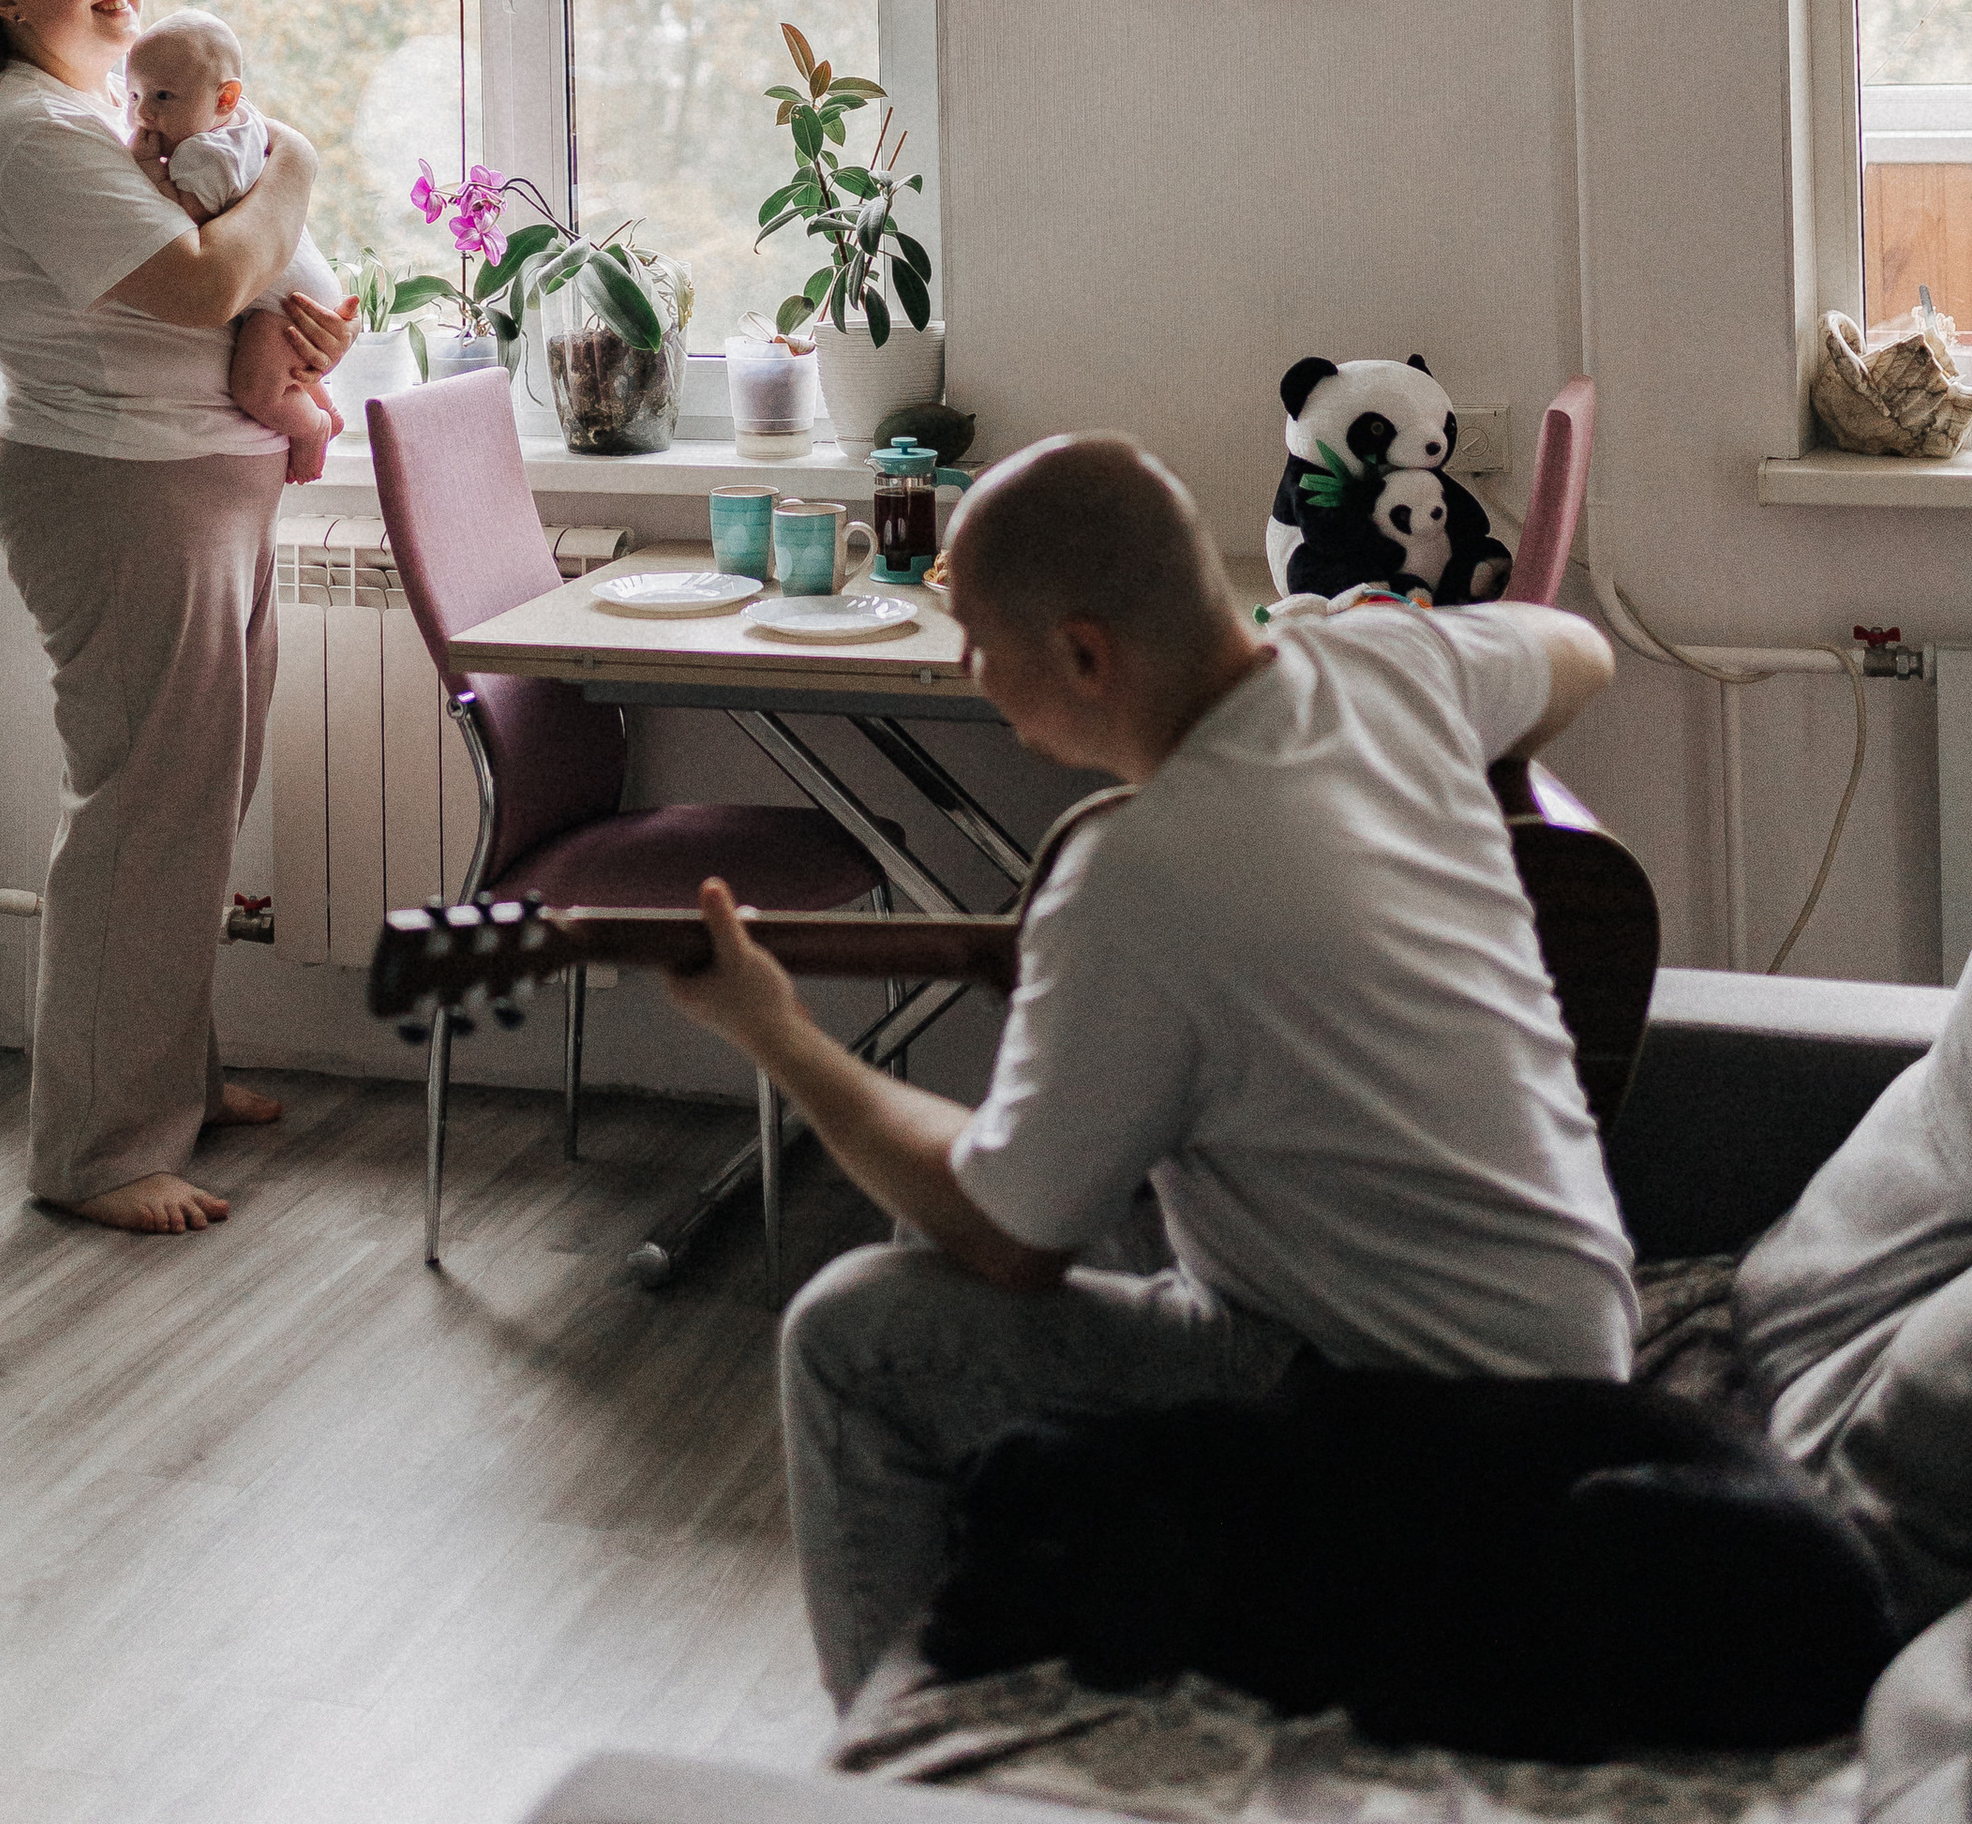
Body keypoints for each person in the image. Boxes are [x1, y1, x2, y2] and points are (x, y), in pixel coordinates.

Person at [666, 432, 1634, 1706]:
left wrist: (778, 1037)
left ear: (1082, 653)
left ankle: (902, 1777)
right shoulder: (1383, 659)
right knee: (1052, 1180)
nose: (966, 669)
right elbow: (1581, 654)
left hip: (1421, 1433)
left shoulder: (1134, 876)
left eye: (979, 639)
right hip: (1579, 1348)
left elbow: (1012, 1244)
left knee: (852, 1336)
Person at [0, 0, 355, 1235]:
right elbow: (214, 282)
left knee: (192, 804)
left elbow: (231, 299)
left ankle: (170, 1078)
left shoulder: (106, 120)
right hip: (121, 491)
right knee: (140, 818)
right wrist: (300, 172)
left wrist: (305, 336)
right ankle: (100, 1151)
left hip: (193, 481)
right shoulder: (36, 134)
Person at [126, 10, 345, 483]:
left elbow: (191, 223)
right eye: (136, 95)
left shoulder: (203, 156)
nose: (144, 113)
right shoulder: (247, 125)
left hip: (285, 305)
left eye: (163, 96)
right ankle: (323, 408)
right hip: (304, 284)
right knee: (279, 372)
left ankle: (314, 428)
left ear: (225, 97)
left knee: (257, 390)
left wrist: (152, 172)